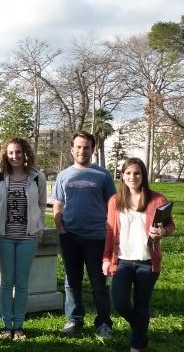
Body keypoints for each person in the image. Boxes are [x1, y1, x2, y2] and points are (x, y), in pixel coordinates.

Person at [102, 158, 175, 352]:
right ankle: (141, 331)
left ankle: (136, 346)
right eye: (128, 173)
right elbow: (110, 232)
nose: (132, 177)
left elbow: (170, 225)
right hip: (123, 260)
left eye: (137, 173)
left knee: (142, 304)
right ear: (122, 176)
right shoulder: (115, 201)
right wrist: (106, 258)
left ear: (143, 176)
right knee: (120, 302)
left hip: (147, 262)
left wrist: (163, 232)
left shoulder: (157, 199)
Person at [54, 131, 116, 338]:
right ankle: (74, 320)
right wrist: (60, 228)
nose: (82, 150)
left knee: (99, 282)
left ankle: (104, 322)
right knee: (72, 282)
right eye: (78, 147)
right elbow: (58, 204)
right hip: (70, 236)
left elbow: (113, 205)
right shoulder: (63, 176)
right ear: (72, 150)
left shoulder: (103, 175)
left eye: (86, 147)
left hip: (97, 237)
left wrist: (111, 232)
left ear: (92, 149)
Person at [0, 137, 46, 340]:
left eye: (18, 152)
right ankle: (6, 325)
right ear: (6, 155)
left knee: (21, 282)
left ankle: (18, 326)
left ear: (25, 154)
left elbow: (41, 205)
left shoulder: (37, 177)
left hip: (27, 237)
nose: (15, 156)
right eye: (11, 152)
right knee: (6, 282)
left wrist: (39, 230)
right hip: (4, 236)